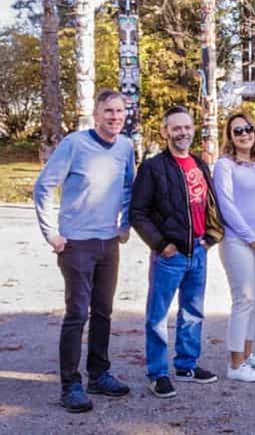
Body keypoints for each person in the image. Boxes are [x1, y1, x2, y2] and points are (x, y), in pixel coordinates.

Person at [34, 89, 135, 413]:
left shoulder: (125, 147)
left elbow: (129, 187)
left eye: (120, 111)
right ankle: (70, 385)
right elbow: (44, 186)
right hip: (76, 243)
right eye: (109, 111)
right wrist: (52, 234)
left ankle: (99, 374)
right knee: (77, 313)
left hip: (108, 242)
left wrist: (125, 224)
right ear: (96, 114)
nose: (115, 117)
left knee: (103, 312)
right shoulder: (75, 144)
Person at [130, 105, 224, 398]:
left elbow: (209, 203)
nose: (182, 132)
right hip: (169, 255)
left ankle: (186, 364)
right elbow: (138, 212)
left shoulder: (199, 163)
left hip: (198, 250)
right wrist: (161, 245)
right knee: (157, 316)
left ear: (193, 129)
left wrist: (210, 238)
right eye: (176, 128)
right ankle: (158, 373)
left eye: (186, 127)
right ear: (165, 131)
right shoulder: (152, 168)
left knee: (193, 312)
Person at [213, 113, 255, 383]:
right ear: (230, 135)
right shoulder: (224, 165)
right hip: (237, 240)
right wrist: (250, 236)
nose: (244, 134)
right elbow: (226, 205)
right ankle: (235, 363)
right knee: (243, 299)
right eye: (237, 130)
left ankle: (248, 354)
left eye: (248, 129)